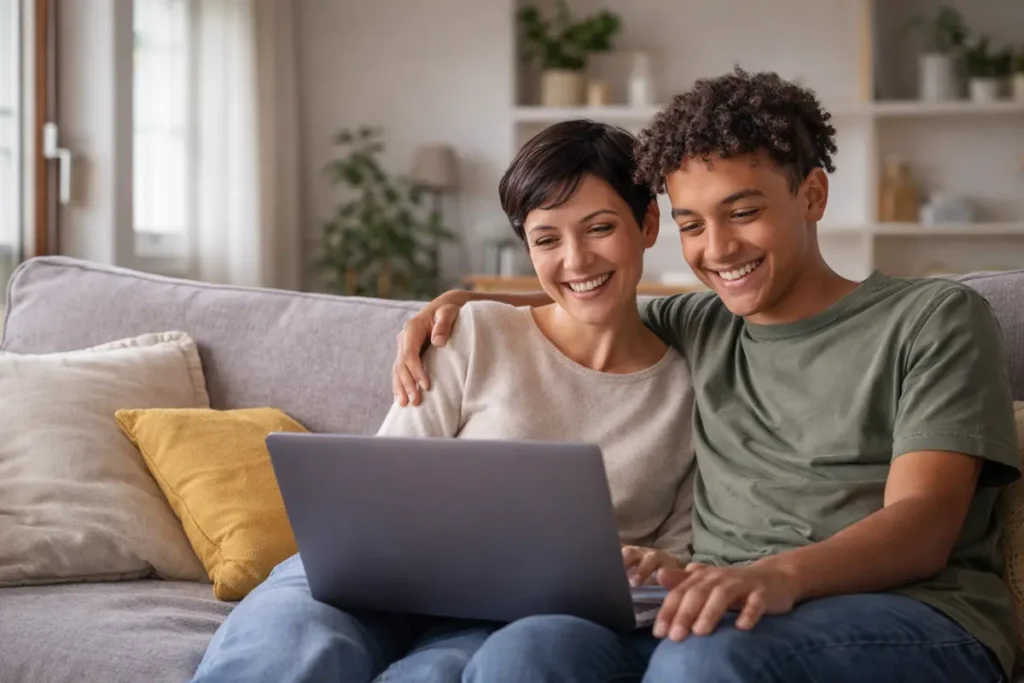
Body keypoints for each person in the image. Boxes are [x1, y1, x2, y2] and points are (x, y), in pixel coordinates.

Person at [392, 67, 1021, 683]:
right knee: (529, 648)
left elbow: (924, 526)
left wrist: (775, 576)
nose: (717, 250)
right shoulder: (706, 322)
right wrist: (463, 306)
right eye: (692, 225)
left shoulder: (933, 319)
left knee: (705, 659)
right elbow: (589, 296)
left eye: (742, 212)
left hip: (912, 611)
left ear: (812, 195)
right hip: (712, 606)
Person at [190, 119, 699, 683]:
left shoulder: (689, 387)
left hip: (514, 616)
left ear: (648, 223)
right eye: (547, 239)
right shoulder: (473, 332)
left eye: (599, 228)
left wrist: (665, 564)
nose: (576, 261)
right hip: (371, 576)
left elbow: (680, 547)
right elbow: (380, 489)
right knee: (289, 654)